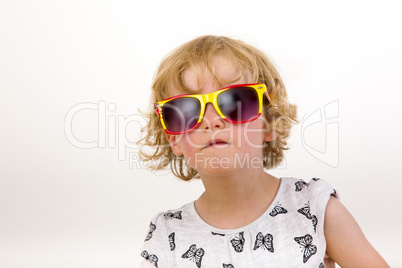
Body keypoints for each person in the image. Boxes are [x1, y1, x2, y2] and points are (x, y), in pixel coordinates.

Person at [138, 35, 388, 267]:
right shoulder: (167, 234)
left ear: (270, 123)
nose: (211, 122)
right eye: (186, 111)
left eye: (235, 102)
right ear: (173, 139)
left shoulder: (315, 208)